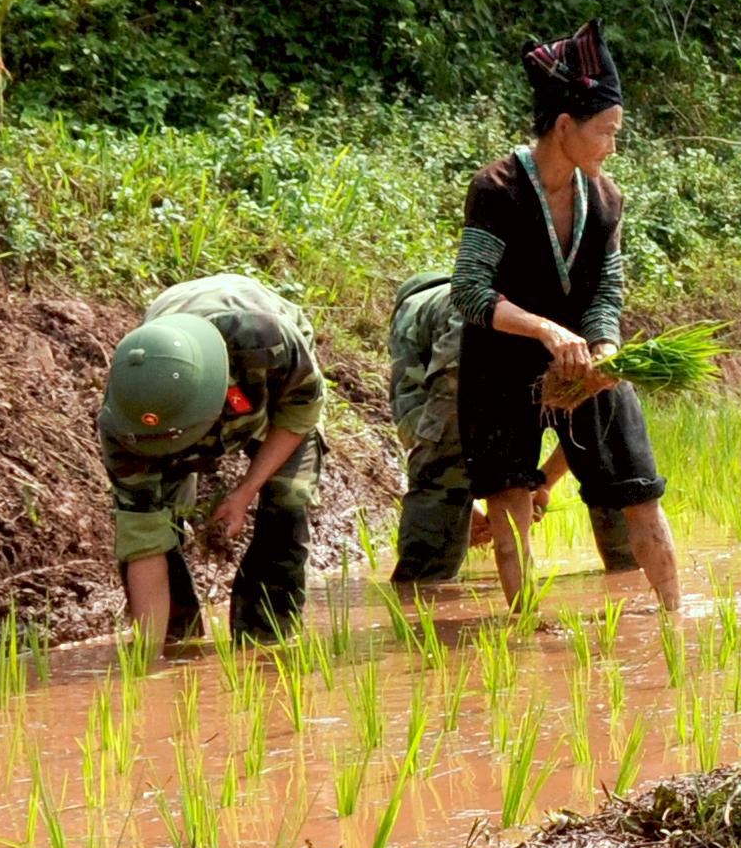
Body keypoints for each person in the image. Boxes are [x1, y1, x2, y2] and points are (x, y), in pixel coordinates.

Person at [449, 19, 682, 613]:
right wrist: (546, 330)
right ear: (563, 126)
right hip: (502, 365)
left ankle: (677, 622)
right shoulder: (497, 189)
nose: (612, 147)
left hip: (587, 363)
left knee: (640, 492)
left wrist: (603, 347)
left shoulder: (605, 199)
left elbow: (607, 289)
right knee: (510, 504)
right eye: (605, 132)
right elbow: (470, 292)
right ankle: (525, 634)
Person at [99, 272, 329, 655]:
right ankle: (177, 635)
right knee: (161, 523)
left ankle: (265, 638)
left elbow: (299, 413)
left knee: (288, 499)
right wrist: (148, 664)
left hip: (271, 384)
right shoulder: (125, 423)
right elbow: (143, 539)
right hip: (175, 383)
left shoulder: (266, 341)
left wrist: (245, 492)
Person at [385, 271, 601, 594]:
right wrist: (477, 494)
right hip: (515, 326)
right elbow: (582, 428)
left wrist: (538, 483)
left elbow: (416, 421)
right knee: (589, 429)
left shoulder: (414, 310)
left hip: (497, 328)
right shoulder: (457, 308)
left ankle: (422, 590)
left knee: (440, 477)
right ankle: (626, 565)